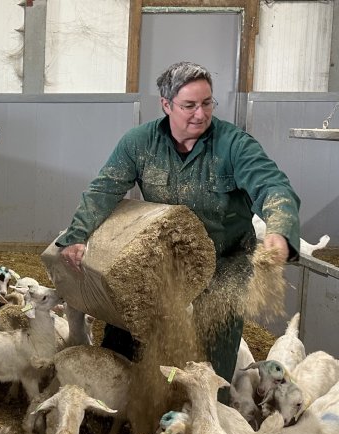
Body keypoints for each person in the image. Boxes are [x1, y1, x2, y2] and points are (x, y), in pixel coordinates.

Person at [55, 61, 301, 388]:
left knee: (209, 355)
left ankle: (209, 419)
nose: (200, 114)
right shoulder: (140, 143)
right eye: (189, 106)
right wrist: (76, 235)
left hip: (224, 264)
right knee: (125, 334)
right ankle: (116, 414)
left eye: (207, 103)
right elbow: (104, 190)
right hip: (163, 260)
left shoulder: (235, 145)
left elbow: (273, 186)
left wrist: (279, 230)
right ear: (166, 104)